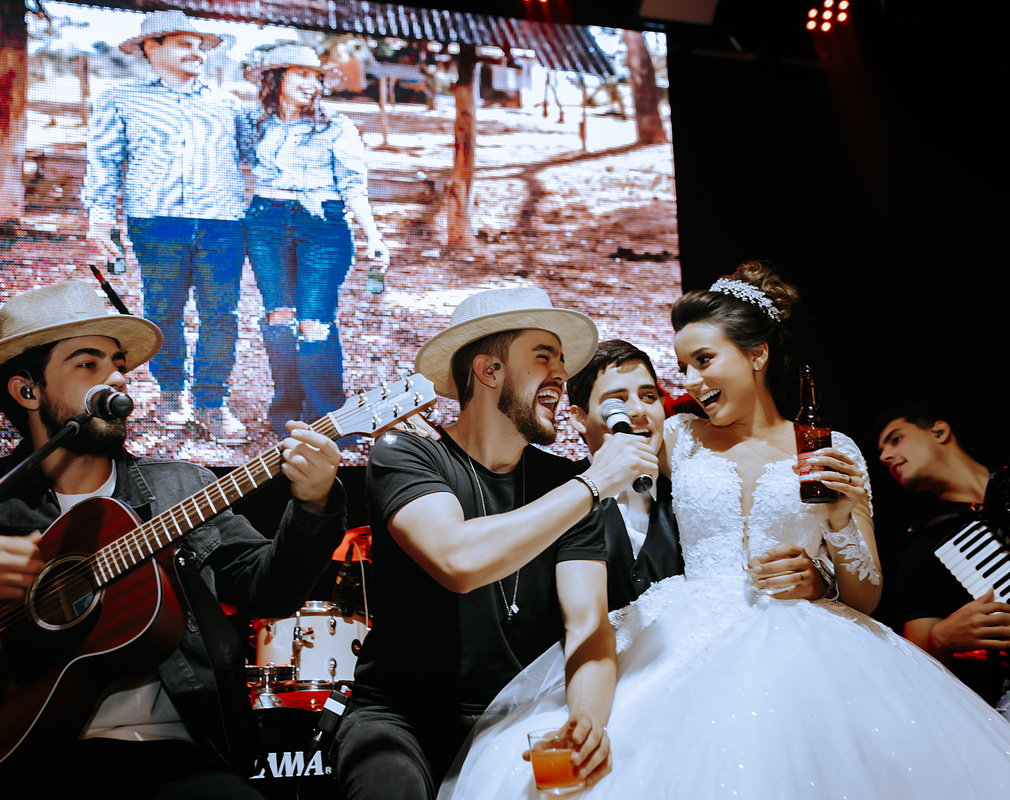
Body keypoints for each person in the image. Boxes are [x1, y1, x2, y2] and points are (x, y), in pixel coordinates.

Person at [441, 262, 1010, 799]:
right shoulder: (681, 438)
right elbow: (611, 444)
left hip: (811, 645)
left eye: (703, 360)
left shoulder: (831, 449)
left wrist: (837, 526)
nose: (689, 381)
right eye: (684, 365)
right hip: (689, 624)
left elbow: (866, 596)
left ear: (757, 355)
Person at [0, 281, 347, 799]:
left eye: (118, 363)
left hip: (176, 759)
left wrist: (315, 506)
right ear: (27, 391)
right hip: (22, 760)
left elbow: (269, 590)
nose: (116, 378)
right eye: (88, 364)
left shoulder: (180, 488)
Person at [332, 287, 660, 799]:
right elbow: (456, 558)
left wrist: (588, 719)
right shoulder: (406, 453)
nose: (561, 376)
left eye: (562, 362)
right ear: (488, 371)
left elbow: (587, 625)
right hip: (402, 721)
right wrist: (592, 484)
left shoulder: (566, 485)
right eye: (543, 358)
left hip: (518, 718)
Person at [83, 10, 250, 444]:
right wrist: (100, 217)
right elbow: (104, 161)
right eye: (183, 42)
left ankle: (213, 401)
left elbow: (255, 159)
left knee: (222, 314)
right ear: (149, 47)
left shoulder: (229, 103)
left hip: (223, 223)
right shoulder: (120, 98)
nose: (196, 51)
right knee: (163, 310)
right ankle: (171, 392)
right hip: (156, 222)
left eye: (201, 44)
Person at [243, 45, 390, 438]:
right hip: (265, 222)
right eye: (301, 75)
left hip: (322, 225)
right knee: (280, 318)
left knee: (315, 323)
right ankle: (287, 415)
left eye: (316, 77)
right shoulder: (256, 123)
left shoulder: (337, 126)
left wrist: (374, 236)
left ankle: (328, 419)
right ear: (277, 79)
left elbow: (354, 186)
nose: (311, 84)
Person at [877, 406, 1010, 719]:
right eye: (881, 451)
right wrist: (939, 637)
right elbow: (913, 663)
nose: (885, 456)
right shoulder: (924, 550)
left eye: (895, 440)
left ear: (939, 432)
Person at [566, 339, 684, 610]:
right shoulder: (558, 490)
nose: (639, 411)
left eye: (648, 396)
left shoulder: (689, 491)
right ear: (578, 418)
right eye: (616, 401)